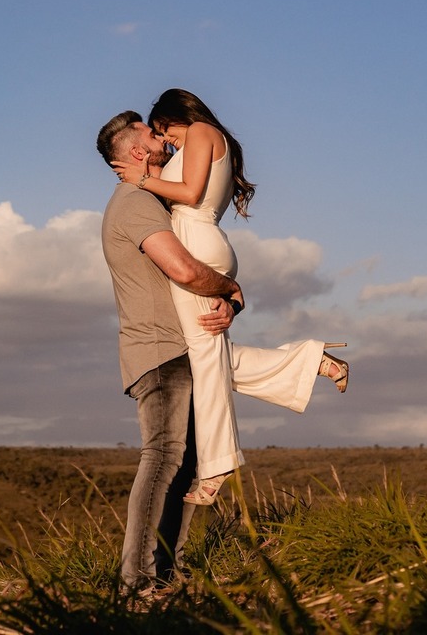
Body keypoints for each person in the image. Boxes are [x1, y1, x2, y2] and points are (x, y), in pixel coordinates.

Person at [113, 89, 350, 505]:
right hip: (202, 239)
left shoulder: (203, 131)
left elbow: (189, 192)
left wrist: (143, 180)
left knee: (204, 359)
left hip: (197, 239)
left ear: (175, 116)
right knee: (207, 352)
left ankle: (217, 464)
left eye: (165, 131)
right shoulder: (200, 139)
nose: (166, 141)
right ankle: (313, 361)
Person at [97, 110, 243, 591]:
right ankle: (137, 581)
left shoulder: (148, 196)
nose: (162, 139)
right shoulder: (136, 202)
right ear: (136, 152)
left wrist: (225, 301)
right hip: (161, 350)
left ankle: (164, 572)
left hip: (176, 346)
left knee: (184, 466)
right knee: (163, 458)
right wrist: (232, 288)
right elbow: (182, 268)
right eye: (151, 135)